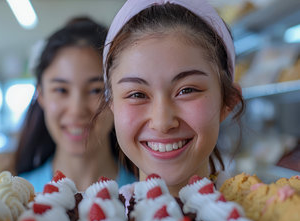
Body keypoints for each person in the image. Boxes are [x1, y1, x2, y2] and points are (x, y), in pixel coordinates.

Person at [98, 0, 245, 197]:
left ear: (227, 101)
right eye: (137, 95)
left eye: (187, 90)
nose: (162, 122)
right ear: (112, 105)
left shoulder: (272, 219)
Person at [15, 17, 137, 193]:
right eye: (61, 90)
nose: (77, 110)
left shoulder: (145, 199)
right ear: (41, 94)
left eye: (96, 90)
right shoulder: (18, 198)